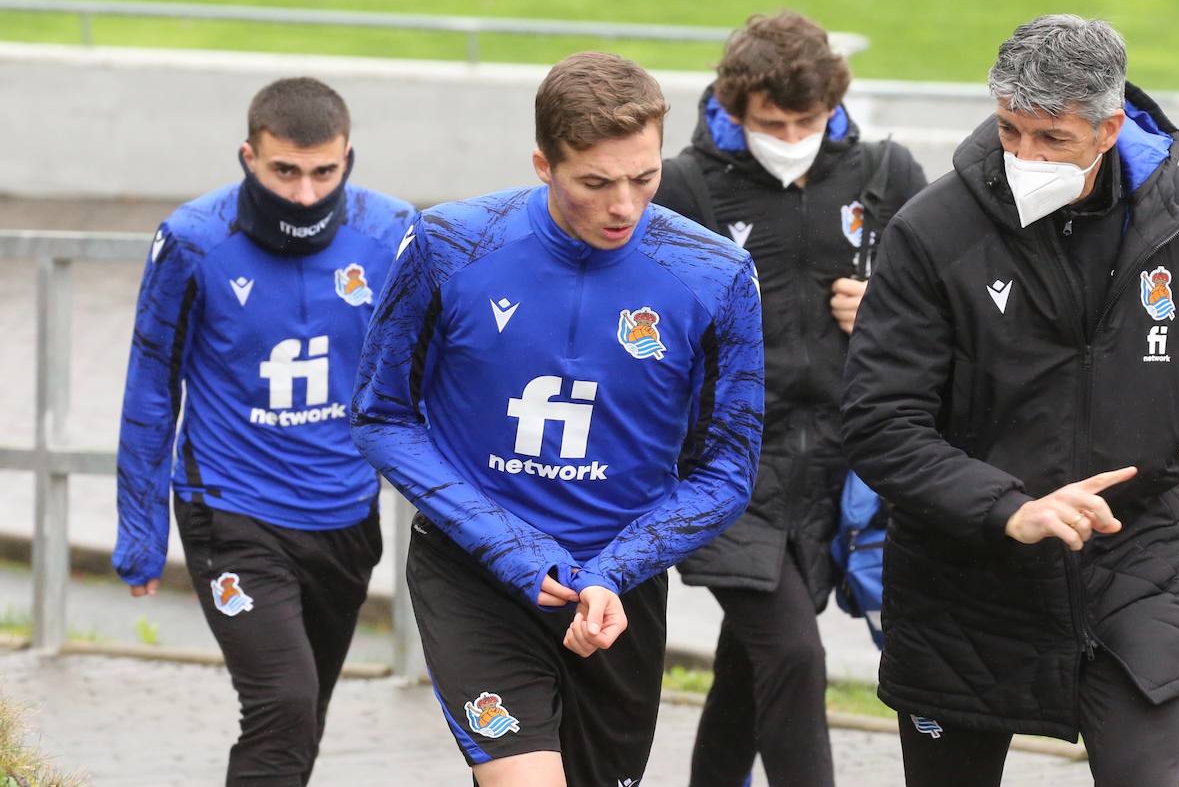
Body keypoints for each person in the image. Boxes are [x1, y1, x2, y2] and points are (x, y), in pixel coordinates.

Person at [841, 14, 1179, 786]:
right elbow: (880, 422)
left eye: (1052, 138)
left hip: (1131, 564)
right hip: (966, 585)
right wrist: (1010, 509)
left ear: (1109, 129)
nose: (1025, 155)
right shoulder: (932, 230)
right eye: (1010, 130)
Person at [350, 51, 764, 787]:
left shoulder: (717, 274)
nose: (624, 206)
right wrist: (509, 546)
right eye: (595, 183)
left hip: (616, 591)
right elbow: (381, 416)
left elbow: (728, 470)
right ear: (544, 164)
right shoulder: (448, 245)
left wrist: (614, 570)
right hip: (474, 574)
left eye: (644, 178)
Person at [113, 76, 415, 785]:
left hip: (345, 513)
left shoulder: (393, 233)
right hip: (231, 510)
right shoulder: (193, 240)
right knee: (282, 704)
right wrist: (140, 535)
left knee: (302, 715)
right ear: (248, 157)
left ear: (348, 158)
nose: (305, 195)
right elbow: (152, 383)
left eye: (324, 172)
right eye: (285, 171)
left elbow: (433, 370)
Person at [652, 10, 926, 786]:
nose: (792, 136)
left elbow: (948, 312)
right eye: (773, 123)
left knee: (753, 668)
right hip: (724, 477)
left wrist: (888, 310)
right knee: (795, 656)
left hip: (839, 479)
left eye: (809, 120)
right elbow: (637, 331)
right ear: (733, 107)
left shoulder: (886, 175)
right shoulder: (683, 187)